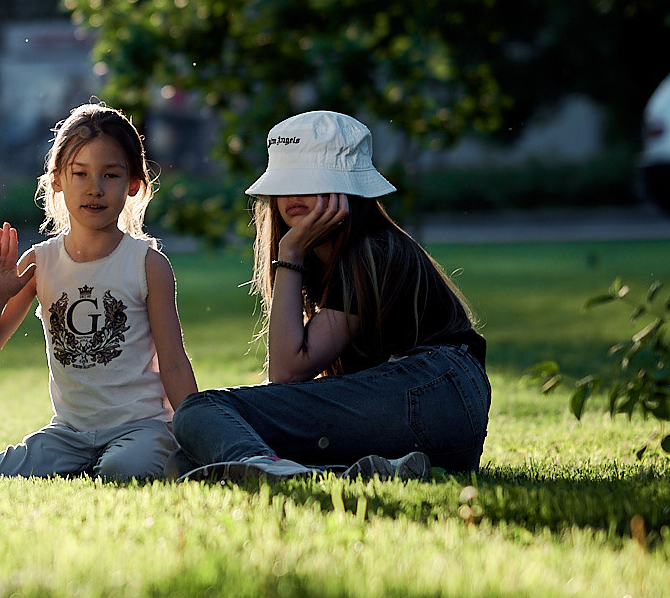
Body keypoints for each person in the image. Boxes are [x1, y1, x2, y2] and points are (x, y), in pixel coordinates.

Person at [174, 110, 490, 483]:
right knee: (188, 456)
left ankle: (269, 469)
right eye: (285, 182)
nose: (292, 194)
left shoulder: (374, 250)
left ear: (349, 187)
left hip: (436, 389)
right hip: (436, 418)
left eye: (309, 180)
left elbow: (288, 372)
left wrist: (288, 256)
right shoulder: (333, 259)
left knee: (202, 409)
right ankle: (370, 470)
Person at [0, 104, 197, 481]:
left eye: (110, 174)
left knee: (124, 468)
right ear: (57, 179)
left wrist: (195, 433)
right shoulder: (40, 263)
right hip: (68, 435)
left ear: (133, 184)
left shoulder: (148, 265)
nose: (95, 188)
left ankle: (134, 459)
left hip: (142, 426)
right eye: (80, 173)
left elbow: (173, 362)